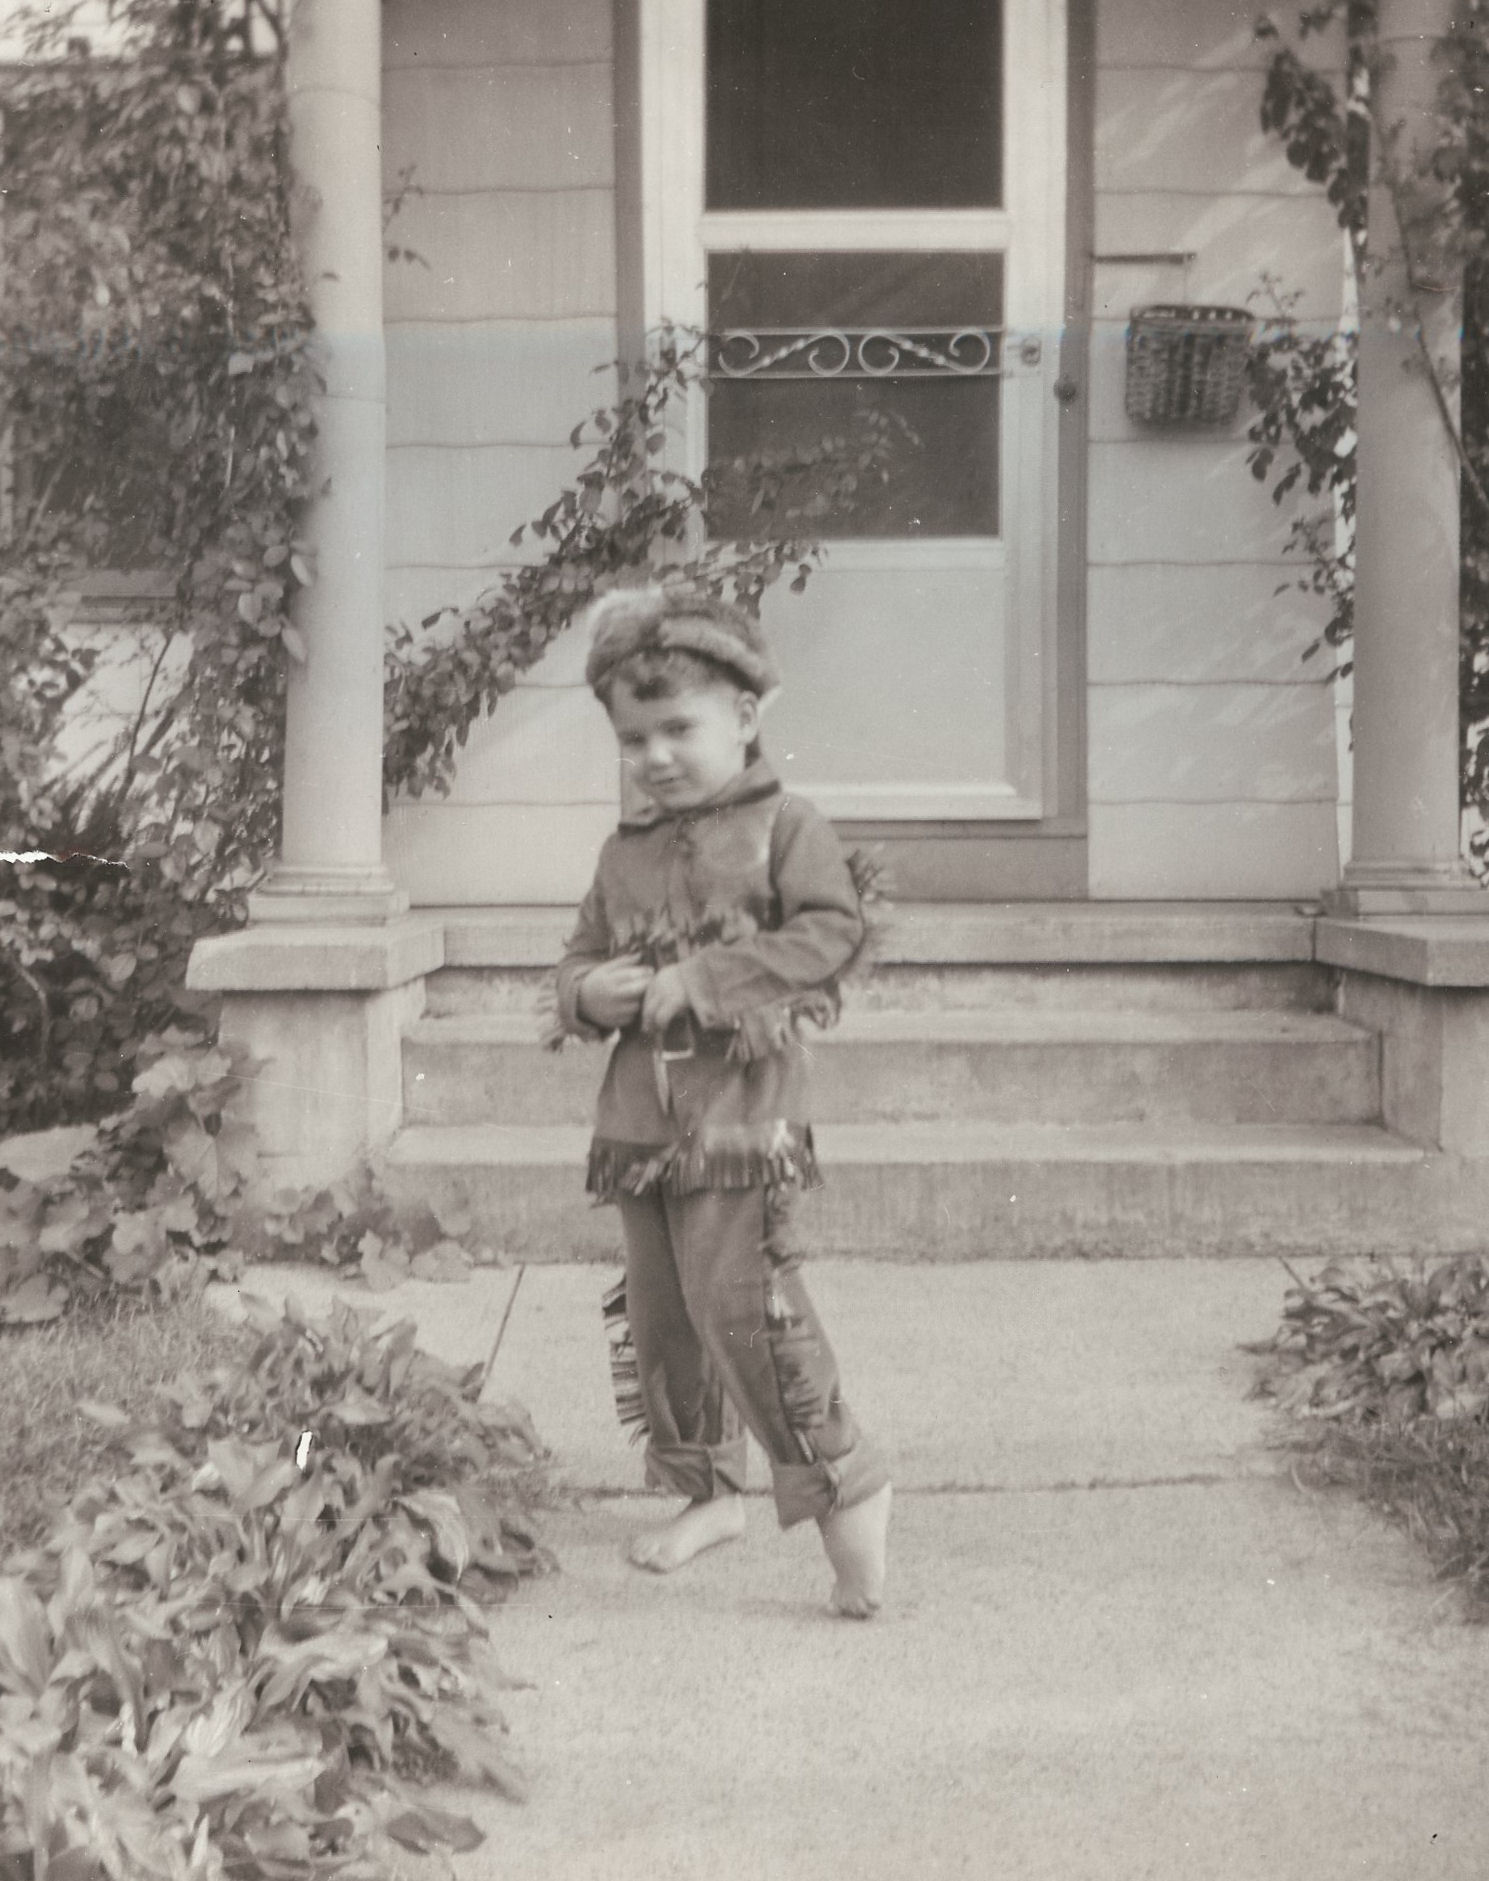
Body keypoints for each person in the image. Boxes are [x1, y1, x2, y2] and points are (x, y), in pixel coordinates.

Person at [552, 584, 892, 1617]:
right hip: (640, 1123)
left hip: (740, 1116)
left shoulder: (785, 826)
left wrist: (704, 979)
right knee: (664, 1316)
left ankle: (842, 1482)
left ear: (744, 717)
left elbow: (831, 932)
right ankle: (706, 1490)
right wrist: (586, 994)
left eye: (678, 729)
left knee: (742, 1307)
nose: (654, 756)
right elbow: (578, 955)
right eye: (633, 738)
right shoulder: (623, 852)